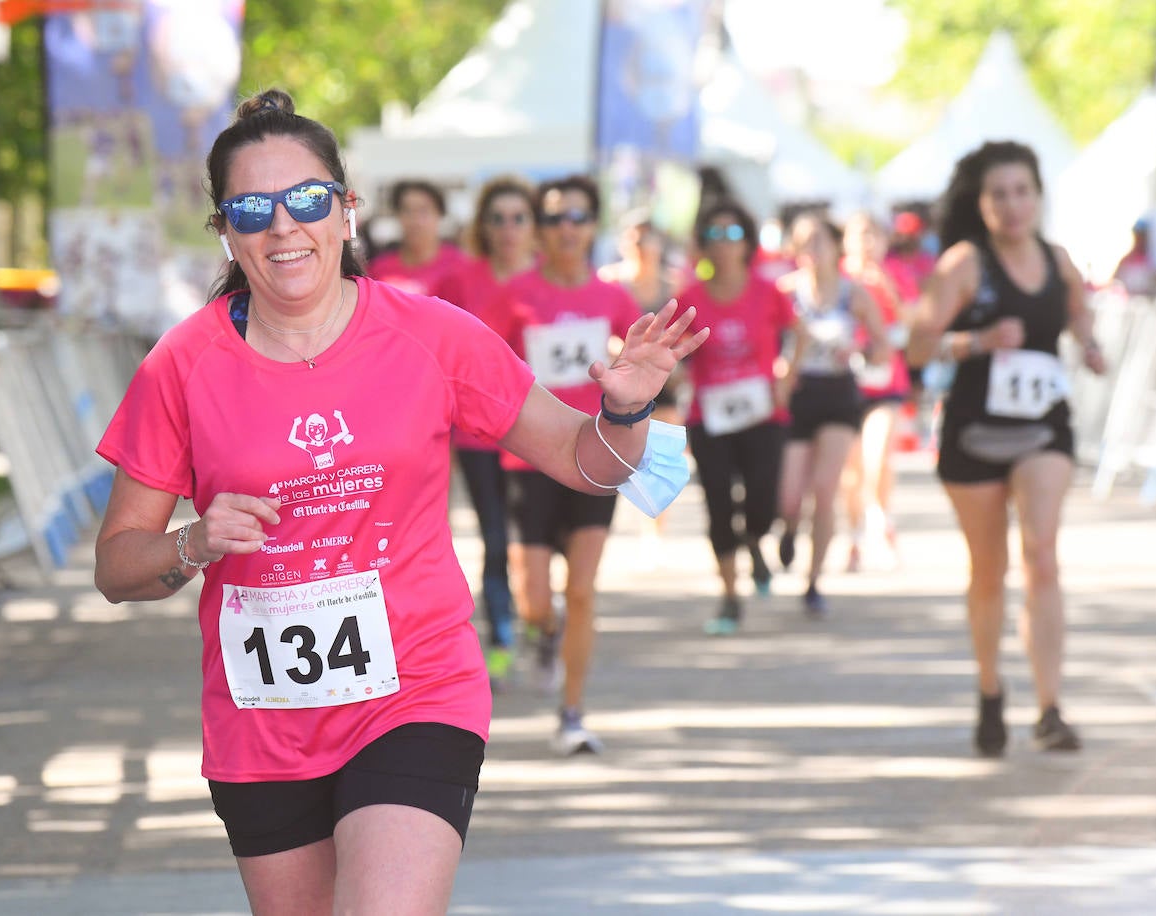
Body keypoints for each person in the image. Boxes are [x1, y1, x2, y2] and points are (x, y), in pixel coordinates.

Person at [92, 89, 707, 914]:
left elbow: (584, 462)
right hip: (265, 719)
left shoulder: (433, 335)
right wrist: (192, 544)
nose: (284, 226)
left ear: (346, 213)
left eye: (308, 200)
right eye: (253, 208)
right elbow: (115, 565)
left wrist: (626, 409)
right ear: (225, 231)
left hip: (416, 690)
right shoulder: (183, 364)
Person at [907, 140, 1105, 758]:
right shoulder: (965, 263)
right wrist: (978, 340)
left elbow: (1079, 314)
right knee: (988, 572)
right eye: (1000, 194)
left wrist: (1090, 344)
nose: (1013, 205)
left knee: (1041, 555)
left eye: (1023, 191)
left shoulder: (1060, 259)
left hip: (1043, 426)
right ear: (982, 203)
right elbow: (916, 348)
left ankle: (1050, 707)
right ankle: (991, 688)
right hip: (973, 430)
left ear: (1039, 197)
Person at [498, 175, 643, 755]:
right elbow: (488, 364)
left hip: (593, 457)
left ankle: (573, 712)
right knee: (534, 595)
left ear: (592, 228)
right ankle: (544, 632)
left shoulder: (612, 298)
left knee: (581, 590)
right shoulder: (515, 294)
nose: (568, 229)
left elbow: (642, 363)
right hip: (529, 458)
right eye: (556, 218)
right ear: (541, 228)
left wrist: (634, 381)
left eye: (579, 218)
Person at [433, 175, 539, 691]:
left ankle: (540, 619)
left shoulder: (547, 279)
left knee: (536, 539)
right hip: (477, 435)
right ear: (483, 226)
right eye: (497, 218)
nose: (508, 228)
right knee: (496, 537)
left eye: (519, 217)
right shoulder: (460, 281)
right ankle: (501, 635)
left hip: (538, 433)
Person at [678, 198, 796, 634]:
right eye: (714, 235)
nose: (724, 244)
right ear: (703, 245)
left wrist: (787, 375)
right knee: (719, 504)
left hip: (764, 414)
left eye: (733, 235)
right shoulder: (688, 298)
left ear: (747, 242)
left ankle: (755, 539)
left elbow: (796, 334)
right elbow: (672, 349)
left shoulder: (769, 292)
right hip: (709, 417)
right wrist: (672, 374)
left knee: (765, 503)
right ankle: (729, 596)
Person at [775, 213, 888, 617]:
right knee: (789, 497)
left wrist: (857, 351)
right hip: (797, 395)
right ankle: (788, 529)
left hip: (838, 394)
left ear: (835, 246)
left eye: (819, 241)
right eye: (804, 243)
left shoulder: (853, 294)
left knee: (825, 489)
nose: (813, 251)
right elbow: (765, 341)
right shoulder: (784, 293)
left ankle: (813, 580)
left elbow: (883, 345)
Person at [598, 211, 684, 565]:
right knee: (622, 452)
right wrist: (625, 355)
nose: (640, 244)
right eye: (633, 237)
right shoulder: (609, 282)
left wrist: (675, 367)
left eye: (647, 237)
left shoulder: (674, 284)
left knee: (658, 452)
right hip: (621, 377)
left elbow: (687, 329)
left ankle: (655, 526)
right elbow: (598, 331)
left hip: (665, 380)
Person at [840, 212, 912, 571]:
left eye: (874, 235)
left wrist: (885, 286)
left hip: (887, 381)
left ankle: (882, 522)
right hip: (845, 380)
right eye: (860, 234)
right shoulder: (836, 275)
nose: (867, 242)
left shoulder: (894, 274)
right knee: (850, 471)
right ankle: (855, 535)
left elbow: (909, 321)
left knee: (878, 456)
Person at [365, 178, 466, 296]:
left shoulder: (459, 266)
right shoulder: (379, 268)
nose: (415, 220)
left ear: (440, 215)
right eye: (407, 211)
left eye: (423, 211)